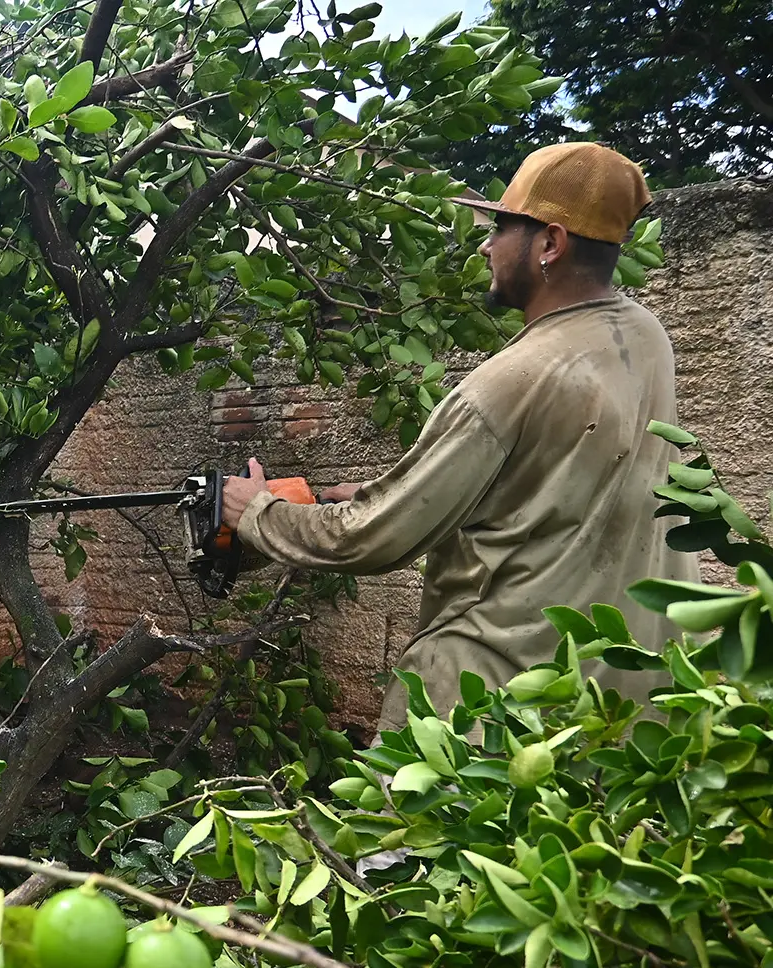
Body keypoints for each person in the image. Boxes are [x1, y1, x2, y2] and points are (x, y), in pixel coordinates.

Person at [222, 142, 696, 729]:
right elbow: (552, 492)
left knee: (389, 821)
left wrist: (256, 513)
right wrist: (384, 492)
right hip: (616, 698)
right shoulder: (644, 337)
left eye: (502, 228)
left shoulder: (505, 384)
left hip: (489, 700)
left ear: (550, 243)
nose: (487, 245)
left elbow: (370, 541)